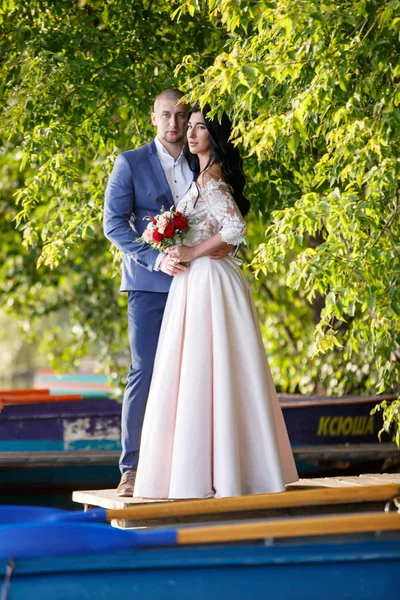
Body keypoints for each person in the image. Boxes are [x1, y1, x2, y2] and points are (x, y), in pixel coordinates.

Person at [133, 104, 298, 499]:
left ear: (216, 135)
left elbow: (235, 228)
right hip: (197, 282)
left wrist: (192, 253)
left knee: (211, 368)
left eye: (200, 127)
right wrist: (174, 247)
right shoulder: (203, 175)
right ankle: (217, 470)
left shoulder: (211, 178)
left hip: (208, 281)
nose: (190, 134)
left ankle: (216, 473)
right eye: (188, 126)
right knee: (201, 372)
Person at [103, 90, 234, 496]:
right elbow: (114, 225)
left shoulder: (202, 163)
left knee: (196, 374)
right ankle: (133, 470)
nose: (174, 124)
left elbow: (220, 219)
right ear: (153, 117)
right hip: (150, 284)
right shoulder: (129, 162)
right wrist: (155, 259)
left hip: (199, 285)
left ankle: (190, 467)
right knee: (145, 369)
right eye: (166, 116)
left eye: (181, 116)